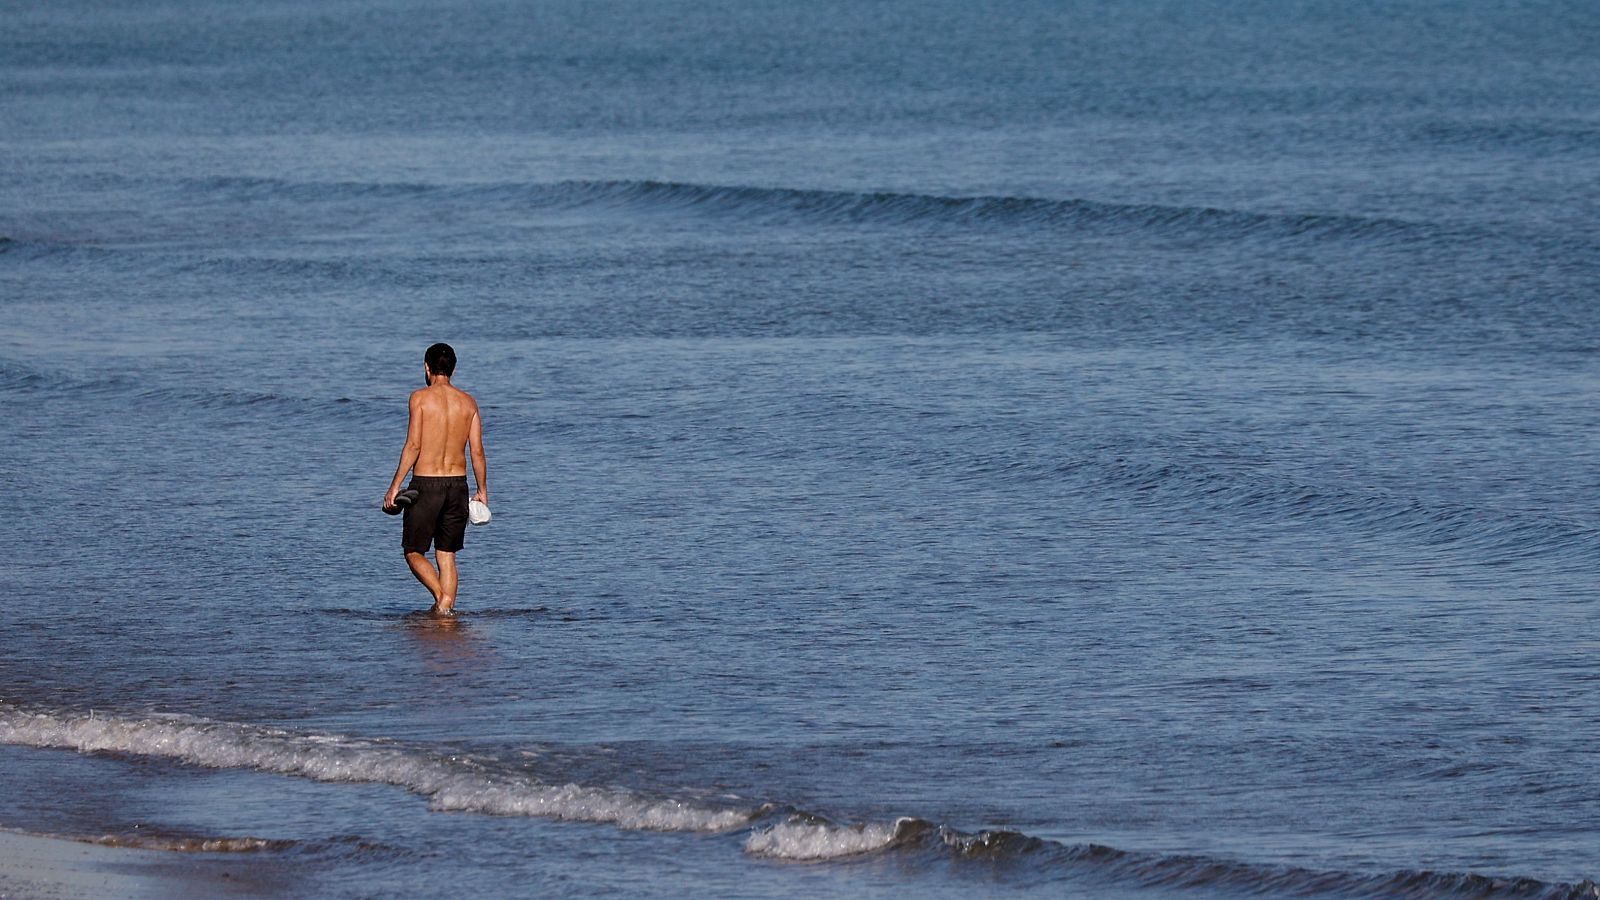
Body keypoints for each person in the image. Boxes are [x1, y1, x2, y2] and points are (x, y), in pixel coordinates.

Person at [384, 343, 488, 615]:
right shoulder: (469, 403)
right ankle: (445, 616)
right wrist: (483, 490)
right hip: (458, 485)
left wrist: (395, 486)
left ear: (427, 368)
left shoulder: (419, 398)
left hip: (426, 484)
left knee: (413, 551)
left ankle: (442, 600)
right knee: (446, 554)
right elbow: (477, 450)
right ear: (453, 369)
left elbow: (413, 446)